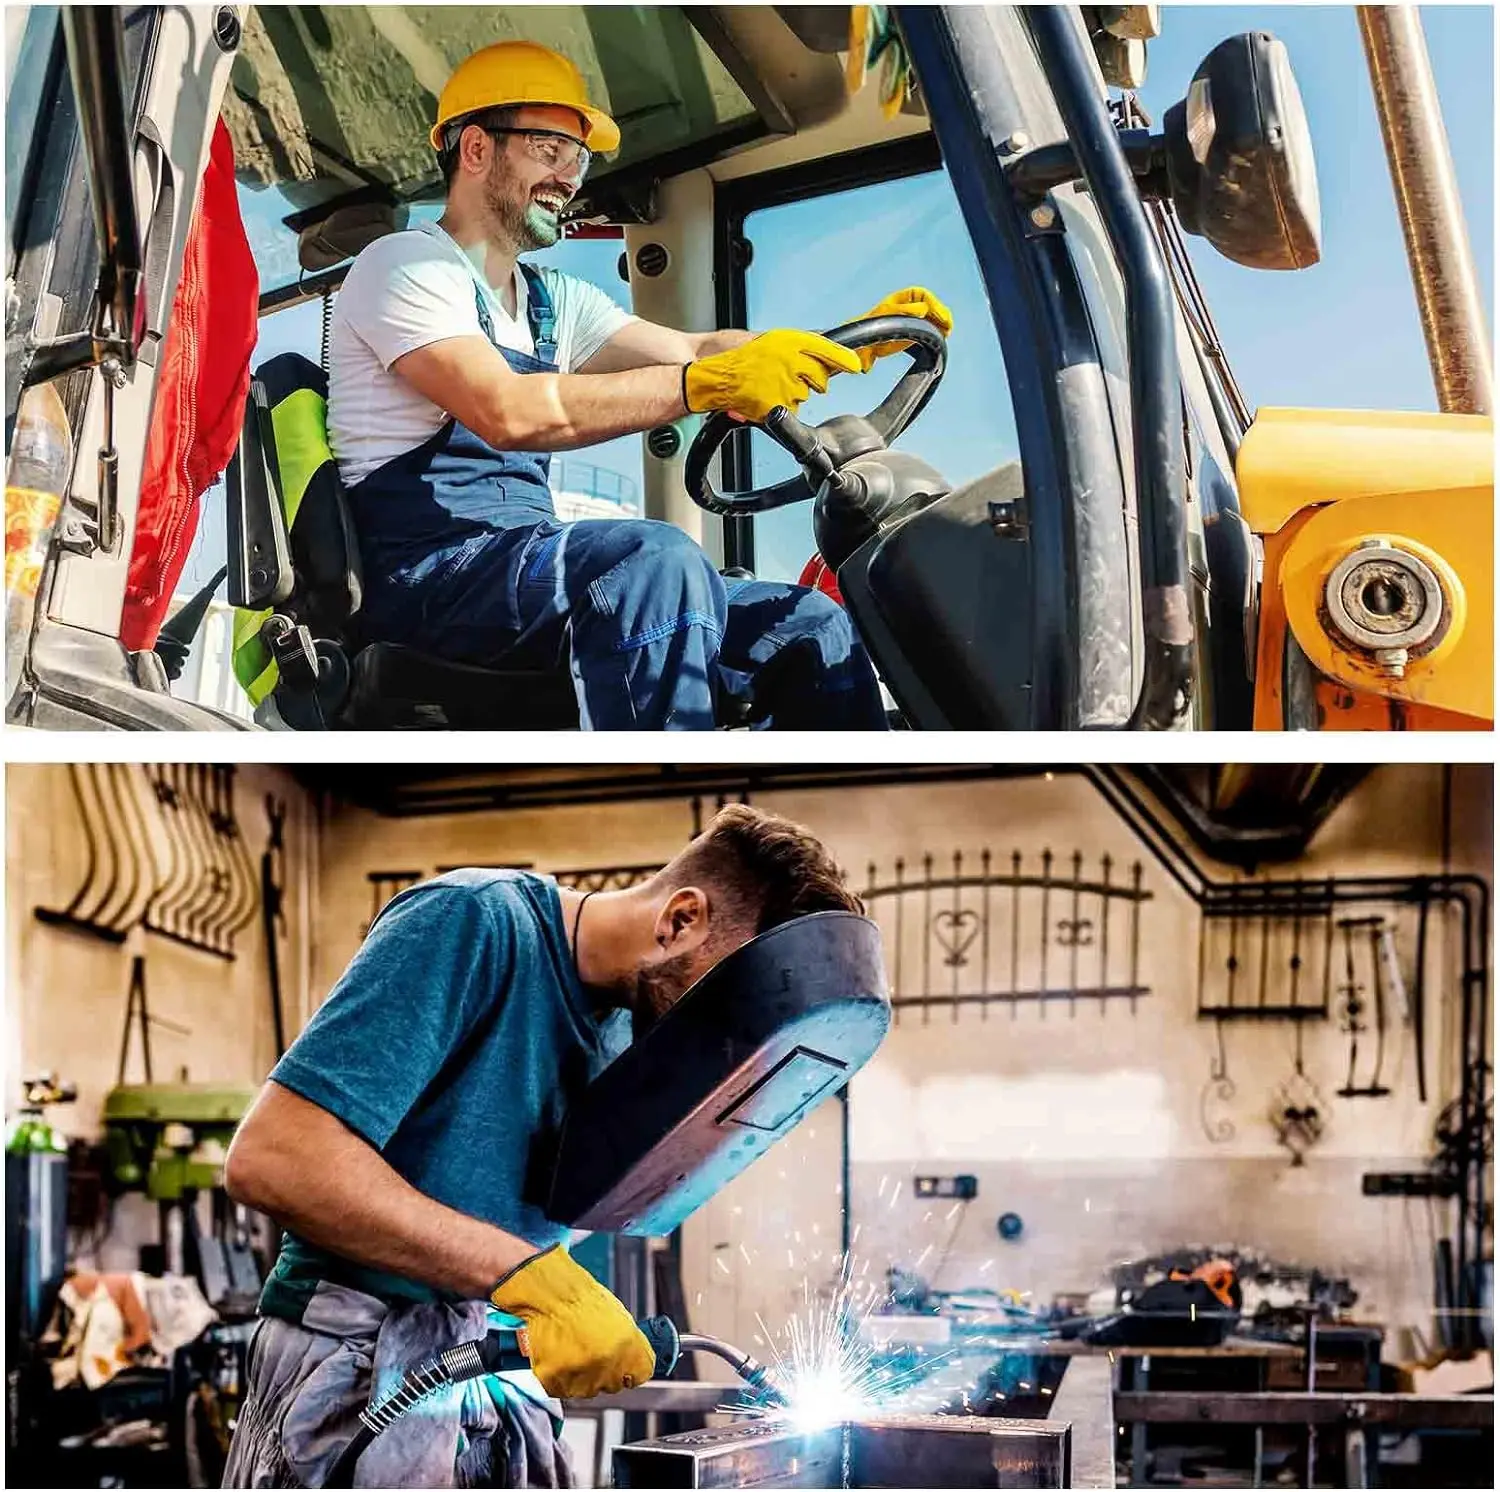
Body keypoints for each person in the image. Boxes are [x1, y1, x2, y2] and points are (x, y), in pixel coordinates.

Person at [221, 805, 863, 1486]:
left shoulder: (631, 1036)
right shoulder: (472, 923)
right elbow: (275, 1158)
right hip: (353, 1371)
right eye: (722, 1009)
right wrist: (526, 1278)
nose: (716, 1042)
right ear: (680, 920)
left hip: (489, 1377)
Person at [326, 40, 951, 730]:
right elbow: (504, 410)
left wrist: (839, 346)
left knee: (807, 624)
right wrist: (703, 385)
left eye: (578, 158)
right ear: (475, 149)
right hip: (427, 578)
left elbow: (700, 346)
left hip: (517, 566)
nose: (569, 177)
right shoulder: (406, 266)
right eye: (549, 149)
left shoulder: (550, 299)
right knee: (651, 561)